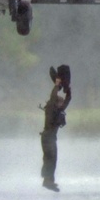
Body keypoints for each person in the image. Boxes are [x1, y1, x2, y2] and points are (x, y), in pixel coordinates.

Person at [39, 64, 71, 192]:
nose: (62, 103)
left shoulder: (59, 109)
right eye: (60, 101)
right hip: (47, 137)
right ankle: (47, 181)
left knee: (53, 159)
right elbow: (53, 97)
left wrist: (68, 89)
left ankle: (49, 181)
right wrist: (57, 85)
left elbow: (68, 99)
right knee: (50, 158)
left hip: (51, 138)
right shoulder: (52, 108)